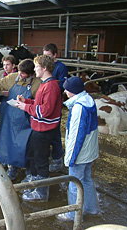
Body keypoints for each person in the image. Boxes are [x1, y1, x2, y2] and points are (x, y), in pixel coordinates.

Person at [15, 54, 62, 202]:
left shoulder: (51, 86)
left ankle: (41, 193)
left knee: (41, 160)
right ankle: (35, 181)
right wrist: (28, 101)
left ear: (45, 68)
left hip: (44, 129)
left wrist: (26, 107)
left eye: (36, 67)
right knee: (34, 155)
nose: (35, 70)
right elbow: (39, 103)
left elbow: (45, 111)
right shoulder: (44, 83)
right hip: (39, 128)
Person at [57, 77, 100, 221]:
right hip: (89, 151)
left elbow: (76, 135)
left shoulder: (78, 108)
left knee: (74, 183)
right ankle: (92, 209)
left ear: (73, 91)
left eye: (67, 89)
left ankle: (74, 215)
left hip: (80, 153)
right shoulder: (88, 100)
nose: (65, 91)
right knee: (87, 180)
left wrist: (70, 158)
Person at [43, 43, 68, 173]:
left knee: (55, 132)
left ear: (55, 55)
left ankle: (58, 159)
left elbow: (62, 85)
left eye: (48, 55)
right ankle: (48, 156)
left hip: (55, 104)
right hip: (44, 103)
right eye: (44, 55)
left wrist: (49, 88)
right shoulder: (45, 66)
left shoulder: (61, 67)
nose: (46, 58)